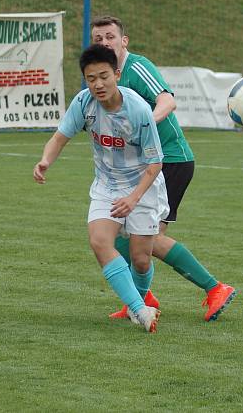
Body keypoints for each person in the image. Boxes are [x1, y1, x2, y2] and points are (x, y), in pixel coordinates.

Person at [91, 15, 237, 322]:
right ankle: (141, 298)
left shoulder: (137, 67)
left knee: (147, 238)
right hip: (136, 168)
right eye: (98, 39)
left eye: (110, 37)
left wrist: (145, 125)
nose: (104, 43)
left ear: (123, 41)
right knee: (117, 230)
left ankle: (215, 288)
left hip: (169, 159)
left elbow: (167, 101)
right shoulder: (101, 75)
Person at [33, 44, 168, 333]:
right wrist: (45, 160)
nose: (98, 84)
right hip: (107, 185)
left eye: (104, 76)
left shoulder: (139, 110)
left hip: (143, 185)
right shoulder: (83, 103)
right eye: (91, 78)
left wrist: (133, 198)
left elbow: (155, 163)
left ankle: (139, 300)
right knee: (99, 240)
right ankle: (140, 310)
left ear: (117, 74)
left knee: (141, 260)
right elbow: (59, 138)